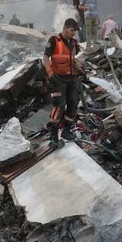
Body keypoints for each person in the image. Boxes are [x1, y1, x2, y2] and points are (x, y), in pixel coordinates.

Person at [42, 18, 82, 148]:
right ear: (65, 28)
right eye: (71, 30)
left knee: (74, 103)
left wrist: (81, 68)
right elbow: (45, 58)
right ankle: (53, 136)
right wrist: (50, 73)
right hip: (57, 79)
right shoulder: (54, 40)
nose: (73, 33)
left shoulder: (74, 43)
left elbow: (74, 59)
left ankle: (66, 130)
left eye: (75, 31)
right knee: (59, 106)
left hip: (72, 78)